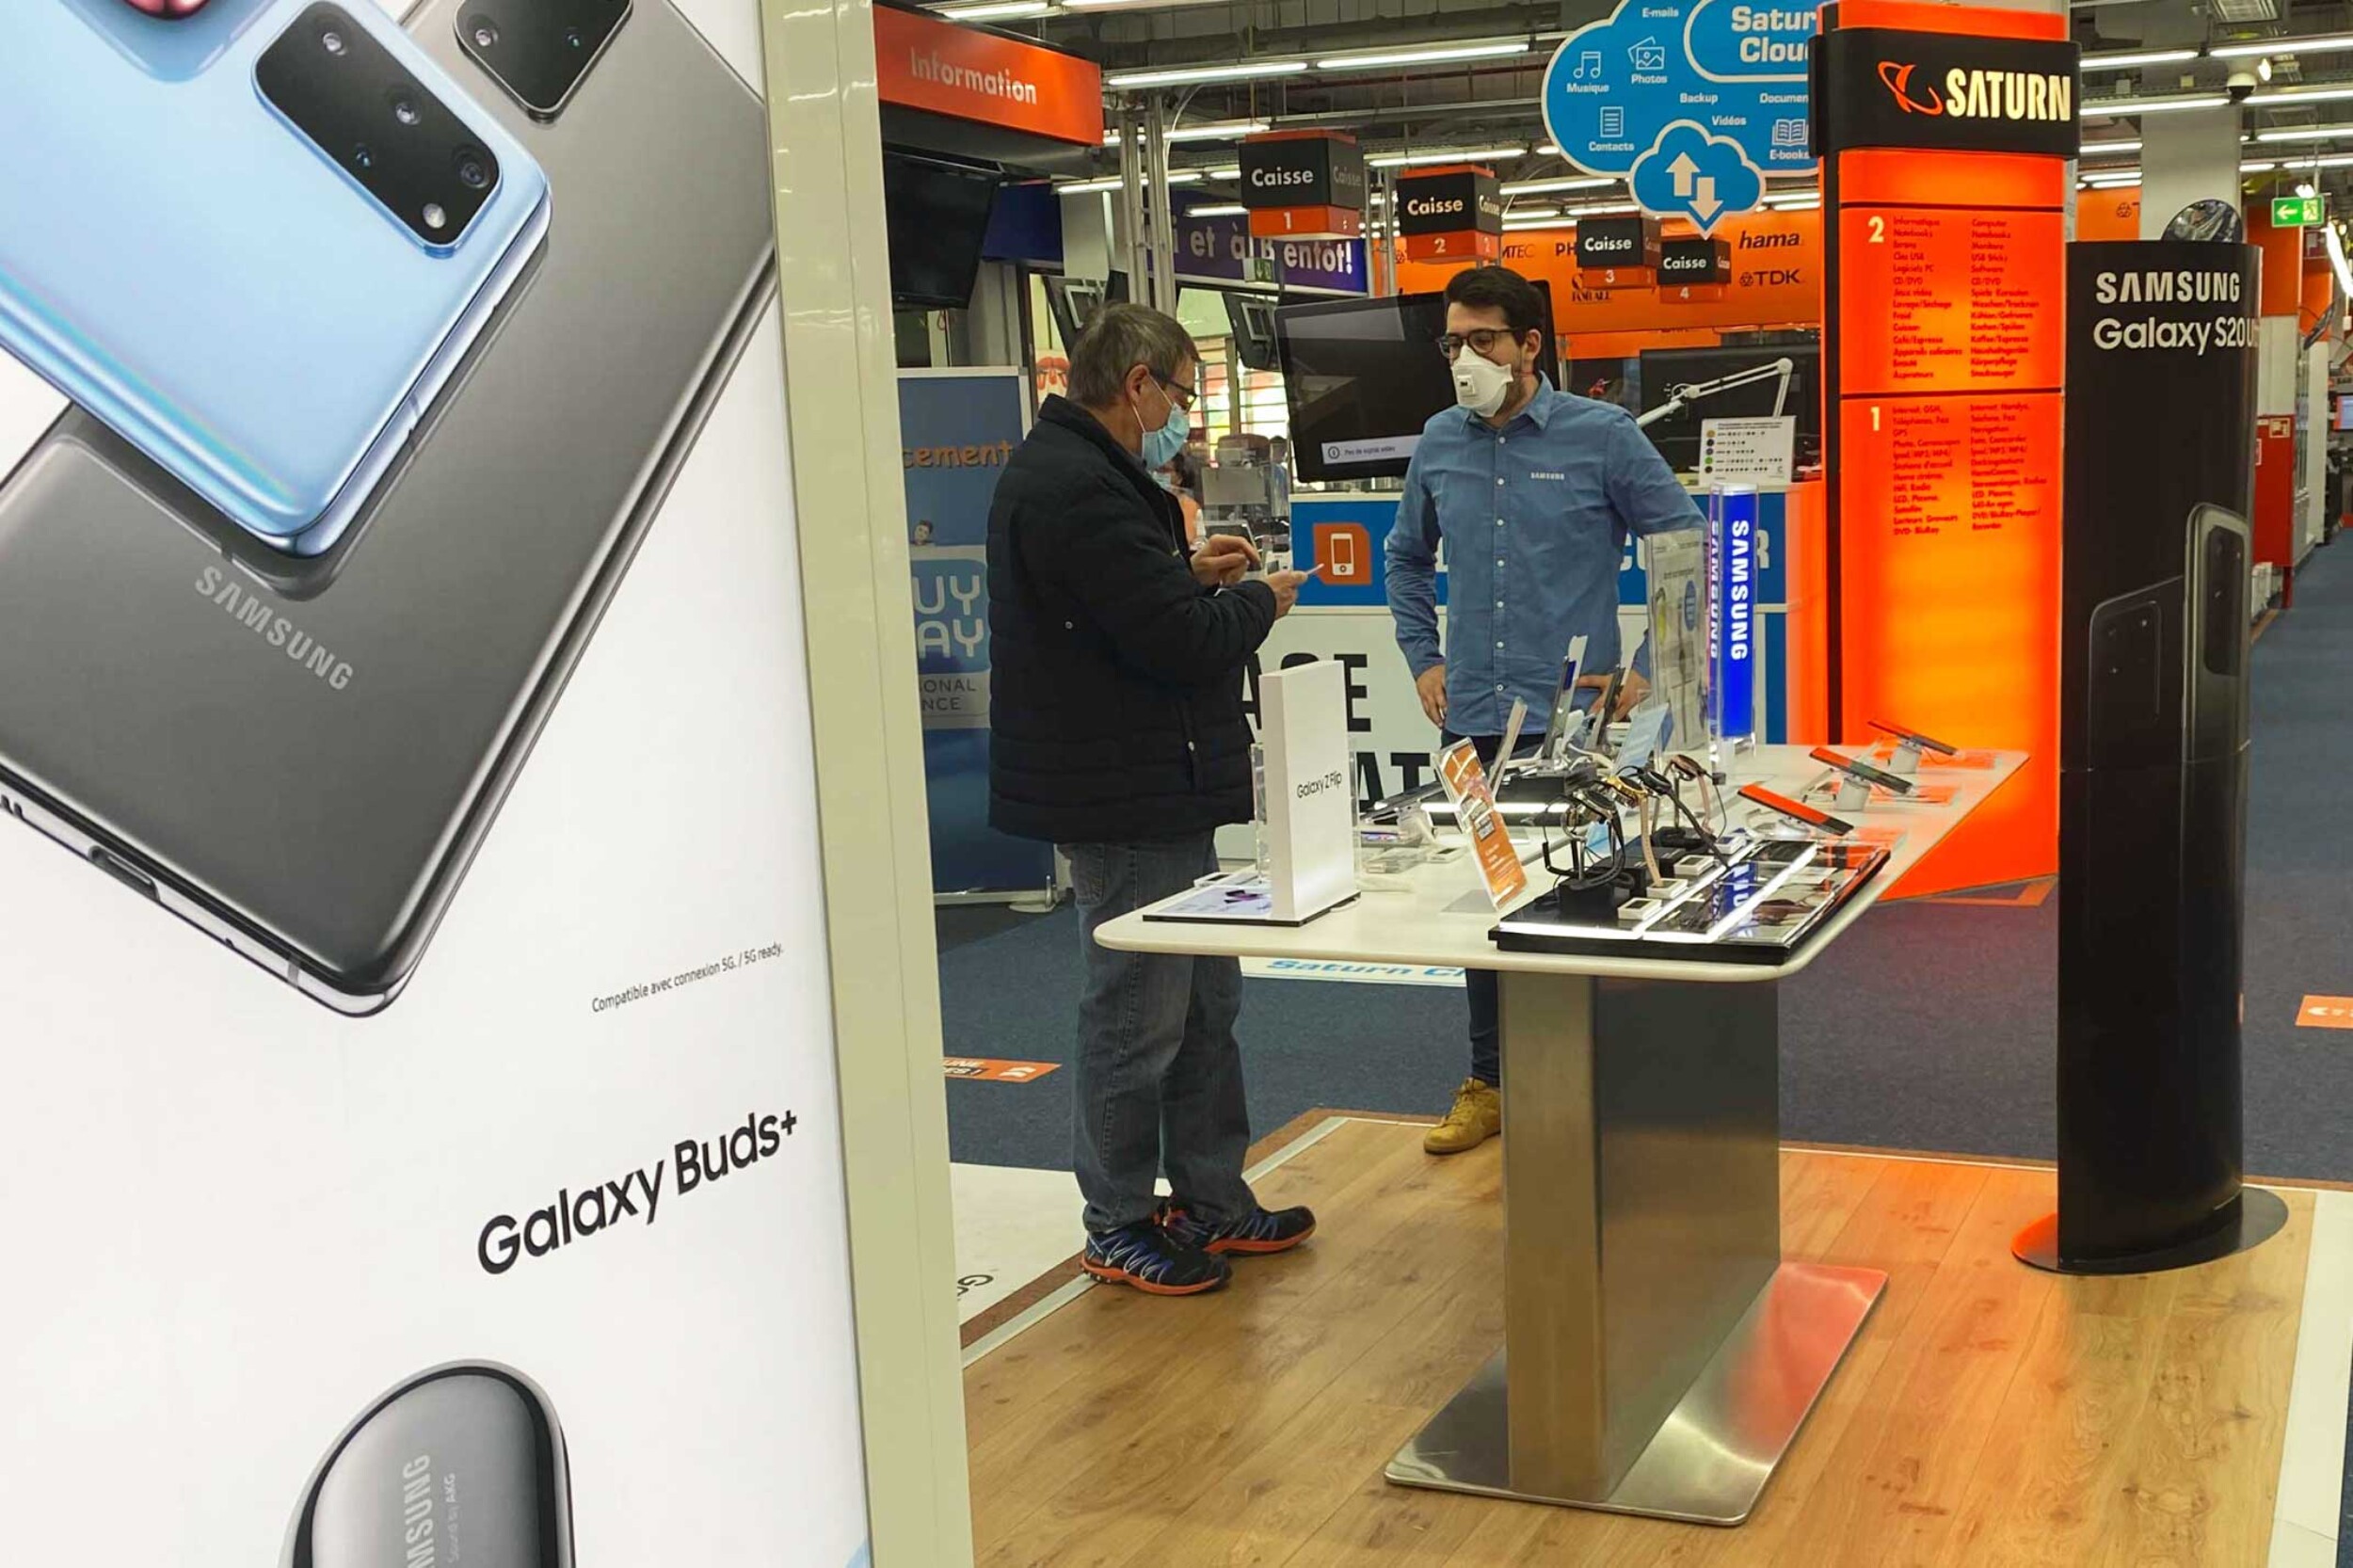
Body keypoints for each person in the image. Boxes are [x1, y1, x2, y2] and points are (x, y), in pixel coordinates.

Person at [988, 303, 1316, 1295]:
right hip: (1121, 794)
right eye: (1180, 394)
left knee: (1205, 1005)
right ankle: (1118, 1220)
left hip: (1154, 782)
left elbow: (1122, 614)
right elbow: (1174, 643)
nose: (1184, 416)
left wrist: (1185, 573)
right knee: (1137, 1015)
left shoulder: (1093, 474)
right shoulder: (1075, 484)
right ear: (1138, 385)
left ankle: (1210, 1194)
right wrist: (1254, 600)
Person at [1385, 264, 1702, 1157]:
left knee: (1586, 898)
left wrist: (1648, 667)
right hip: (1474, 719)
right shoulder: (1439, 441)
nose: (1464, 357)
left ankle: (1597, 1087)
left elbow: (1685, 541)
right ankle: (1492, 1081)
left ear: (1529, 345)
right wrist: (1424, 657)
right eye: (1453, 341)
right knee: (1487, 907)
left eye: (1483, 339)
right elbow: (1405, 557)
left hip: (1575, 726)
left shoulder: (1603, 436)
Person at [1268, 437, 1294, 520]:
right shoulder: (1267, 470)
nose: (1284, 454)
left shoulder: (1283, 470)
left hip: (1282, 512)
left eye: (1284, 451)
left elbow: (1288, 491)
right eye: (1281, 450)